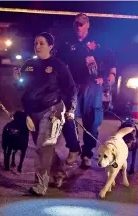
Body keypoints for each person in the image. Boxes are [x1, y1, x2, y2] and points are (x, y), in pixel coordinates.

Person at [13, 32, 78, 195]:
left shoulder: (58, 66)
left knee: (43, 147)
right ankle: (59, 172)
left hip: (52, 111)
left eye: (42, 43)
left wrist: (71, 109)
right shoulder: (29, 65)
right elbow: (22, 87)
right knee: (44, 148)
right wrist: (16, 80)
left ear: (50, 46)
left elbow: (71, 89)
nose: (37, 46)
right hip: (31, 113)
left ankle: (40, 185)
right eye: (36, 43)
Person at [57, 13, 116, 168]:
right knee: (68, 118)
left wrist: (110, 75)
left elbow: (111, 59)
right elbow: (58, 64)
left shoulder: (99, 42)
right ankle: (74, 149)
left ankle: (87, 154)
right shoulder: (67, 43)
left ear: (88, 25)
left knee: (92, 122)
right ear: (73, 25)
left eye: (82, 24)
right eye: (77, 24)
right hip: (72, 87)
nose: (79, 27)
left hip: (92, 87)